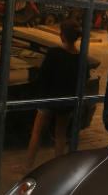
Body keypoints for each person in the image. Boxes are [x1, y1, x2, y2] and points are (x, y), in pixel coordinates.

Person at [24, 19, 82, 172]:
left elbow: (43, 76)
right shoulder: (80, 58)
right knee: (60, 135)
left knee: (37, 132)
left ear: (62, 35)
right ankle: (58, 168)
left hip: (49, 99)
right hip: (66, 102)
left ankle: (28, 165)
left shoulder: (54, 53)